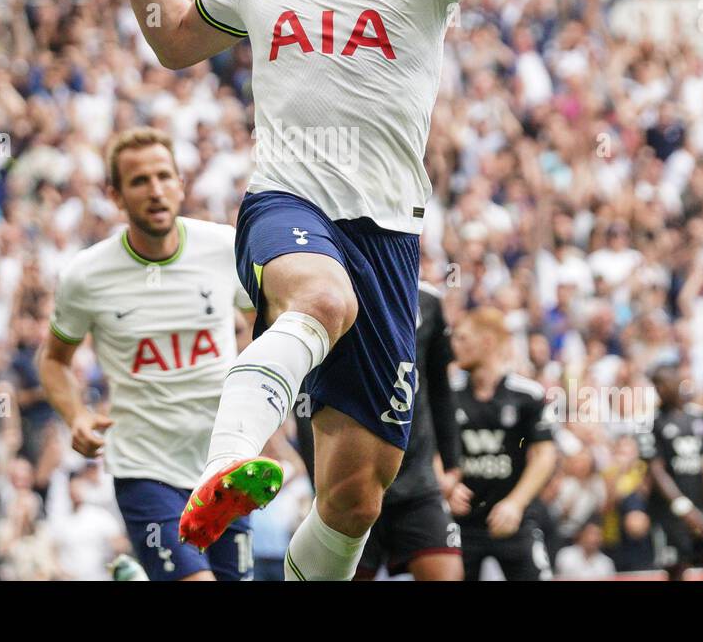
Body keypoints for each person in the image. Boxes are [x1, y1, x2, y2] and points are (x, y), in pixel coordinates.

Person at [101, 0, 585, 580]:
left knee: (356, 497)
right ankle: (224, 465)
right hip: (288, 204)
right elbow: (171, 37)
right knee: (322, 300)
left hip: (389, 237)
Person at [38, 128, 257, 581]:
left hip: (225, 465)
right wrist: (75, 414)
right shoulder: (86, 276)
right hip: (145, 468)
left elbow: (269, 320)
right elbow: (54, 359)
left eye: (164, 177)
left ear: (180, 183)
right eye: (140, 181)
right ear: (116, 197)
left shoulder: (225, 247)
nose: (155, 191)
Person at [295, 282, 463, 580]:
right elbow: (306, 401)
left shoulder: (428, 302)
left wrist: (451, 465)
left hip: (417, 482)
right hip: (348, 481)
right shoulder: (331, 298)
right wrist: (317, 484)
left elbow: (440, 389)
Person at [449, 307, 558, 581]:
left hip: (515, 520)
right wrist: (445, 485)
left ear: (487, 341)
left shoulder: (528, 394)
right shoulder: (449, 395)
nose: (454, 346)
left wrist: (516, 503)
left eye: (463, 338)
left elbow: (545, 456)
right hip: (460, 523)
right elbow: (433, 448)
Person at [638, 352, 703, 581]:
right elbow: (656, 471)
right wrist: (683, 508)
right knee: (677, 571)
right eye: (656, 385)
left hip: (700, 507)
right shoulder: (651, 423)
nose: (660, 389)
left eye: (664, 383)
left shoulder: (697, 418)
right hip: (669, 514)